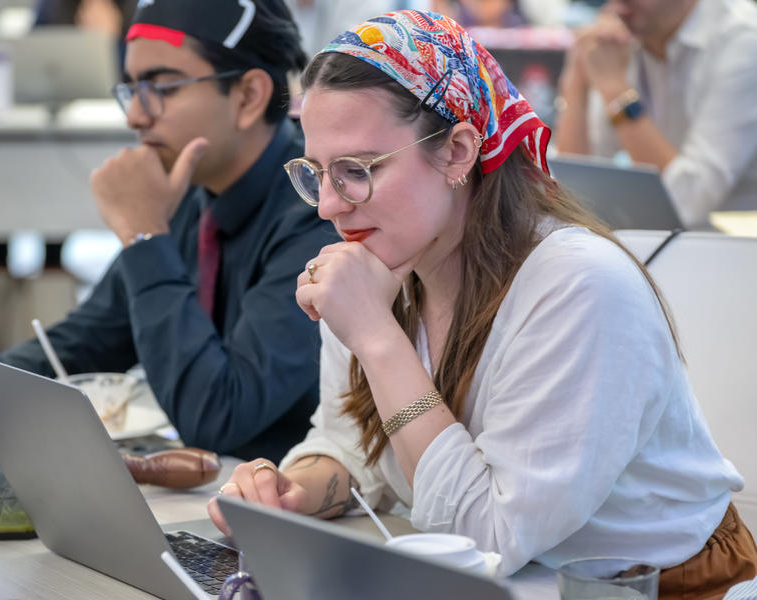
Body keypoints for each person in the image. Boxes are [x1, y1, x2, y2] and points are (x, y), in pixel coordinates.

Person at [207, 10, 757, 597]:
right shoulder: (380, 264)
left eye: (356, 170)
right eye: (316, 173)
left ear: (458, 152)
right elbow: (351, 446)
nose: (327, 206)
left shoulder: (578, 287)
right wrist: (288, 491)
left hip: (653, 588)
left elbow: (488, 536)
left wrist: (376, 337)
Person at [0, 0, 337, 464]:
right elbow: (89, 339)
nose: (134, 117)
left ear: (248, 97)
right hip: (217, 493)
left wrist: (145, 236)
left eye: (163, 87)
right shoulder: (193, 193)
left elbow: (217, 416)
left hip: (310, 515)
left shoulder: (316, 213)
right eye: (131, 89)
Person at [554, 0, 757, 228]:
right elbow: (576, 193)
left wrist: (615, 89)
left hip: (739, 243)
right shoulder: (625, 34)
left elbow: (685, 202)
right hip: (677, 238)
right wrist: (575, 83)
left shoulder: (743, 40)